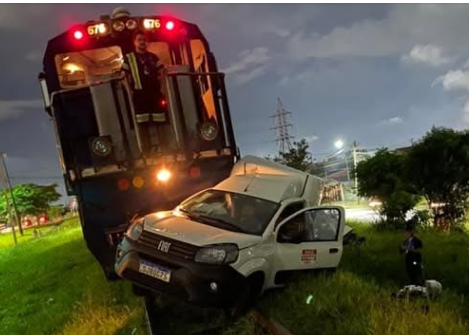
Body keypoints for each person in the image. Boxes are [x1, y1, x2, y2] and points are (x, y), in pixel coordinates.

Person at [122, 30, 168, 157]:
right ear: (134, 42)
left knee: (160, 120)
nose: (142, 42)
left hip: (155, 94)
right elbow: (123, 75)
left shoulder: (153, 57)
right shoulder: (129, 58)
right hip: (139, 95)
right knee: (142, 123)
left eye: (144, 40)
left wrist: (162, 87)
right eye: (139, 40)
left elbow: (162, 71)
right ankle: (146, 151)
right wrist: (129, 91)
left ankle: (163, 148)